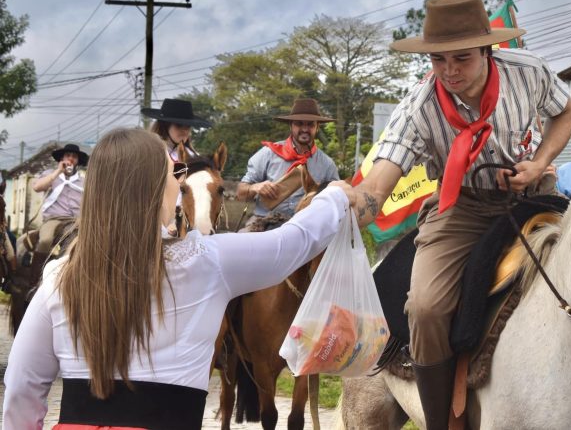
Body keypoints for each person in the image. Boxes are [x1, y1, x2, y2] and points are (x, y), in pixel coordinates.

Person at [2, 128, 356, 430]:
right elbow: (291, 244)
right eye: (175, 173)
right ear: (156, 187)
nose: (181, 180)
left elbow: (22, 388)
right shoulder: (207, 261)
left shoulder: (58, 276)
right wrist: (335, 197)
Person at [351, 0, 571, 429]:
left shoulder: (529, 72)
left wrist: (541, 161)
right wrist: (347, 202)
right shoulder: (418, 107)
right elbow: (378, 184)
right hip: (461, 207)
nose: (450, 71)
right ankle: (440, 422)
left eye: (462, 58)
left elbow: (565, 112)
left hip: (534, 198)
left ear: (489, 50)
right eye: (439, 60)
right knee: (426, 307)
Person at [236, 98, 340, 221]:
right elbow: (241, 194)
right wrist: (255, 187)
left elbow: (337, 200)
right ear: (290, 125)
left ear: (317, 127)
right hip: (264, 223)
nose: (305, 129)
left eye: (310, 124)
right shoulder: (268, 154)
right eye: (299, 124)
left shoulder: (327, 164)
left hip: (305, 226)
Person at [30, 143, 89, 258]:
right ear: (62, 158)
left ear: (78, 161)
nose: (71, 158)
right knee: (45, 241)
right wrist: (58, 172)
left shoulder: (83, 181)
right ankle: (36, 273)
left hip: (74, 221)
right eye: (68, 155)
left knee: (73, 246)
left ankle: (63, 270)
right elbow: (37, 187)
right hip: (53, 218)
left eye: (74, 156)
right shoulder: (50, 174)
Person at [142, 98, 212, 161]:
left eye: (188, 126)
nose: (185, 130)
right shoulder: (148, 156)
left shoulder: (194, 158)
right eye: (179, 125)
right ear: (165, 126)